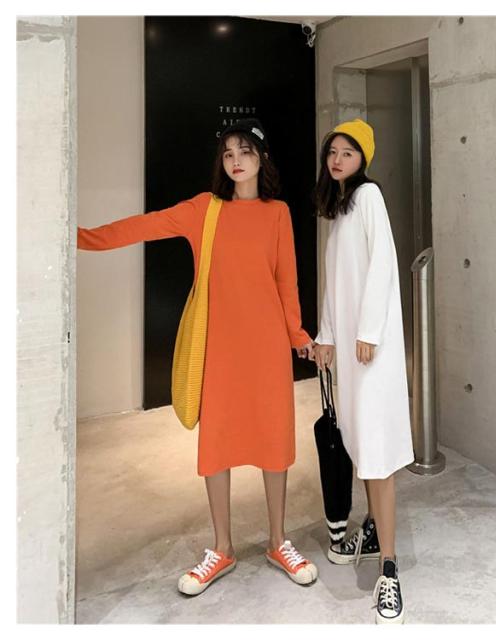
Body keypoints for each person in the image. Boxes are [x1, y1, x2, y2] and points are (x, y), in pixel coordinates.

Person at [78, 118, 319, 596]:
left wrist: (297, 335)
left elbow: (286, 281)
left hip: (267, 346)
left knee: (274, 440)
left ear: (261, 158)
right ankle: (222, 548)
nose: (236, 161)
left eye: (245, 151)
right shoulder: (203, 210)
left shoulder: (278, 213)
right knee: (217, 446)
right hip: (220, 347)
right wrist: (81, 236)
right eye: (228, 153)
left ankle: (278, 541)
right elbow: (143, 225)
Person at [313, 119, 414, 624]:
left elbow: (384, 266)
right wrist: (327, 335)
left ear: (363, 159)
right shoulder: (339, 209)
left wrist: (369, 330)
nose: (338, 159)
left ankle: (389, 569)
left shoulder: (369, 196)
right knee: (360, 442)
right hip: (352, 351)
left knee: (377, 451)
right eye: (333, 151)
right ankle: (373, 530)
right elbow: (334, 280)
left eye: (348, 153)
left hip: (371, 349)